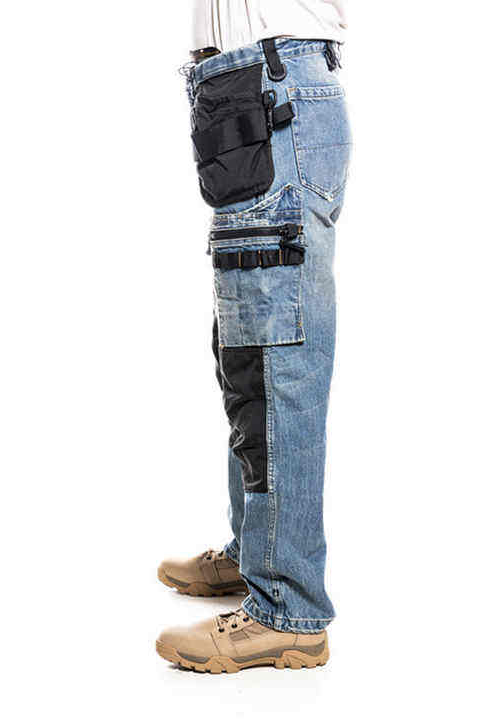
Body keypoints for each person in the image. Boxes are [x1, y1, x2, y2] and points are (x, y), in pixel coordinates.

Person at [156, 0, 350, 673]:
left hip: (273, 92)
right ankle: (257, 552)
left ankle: (286, 607)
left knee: (276, 360)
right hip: (250, 94)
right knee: (247, 355)